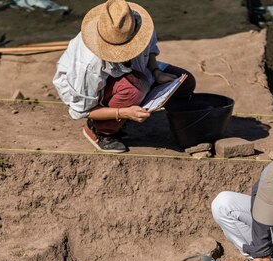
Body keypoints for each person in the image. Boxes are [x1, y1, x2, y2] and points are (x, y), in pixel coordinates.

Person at [53, 0, 195, 154]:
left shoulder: (138, 24)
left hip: (135, 70)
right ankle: (100, 131)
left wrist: (156, 72)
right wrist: (124, 112)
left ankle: (128, 114)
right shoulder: (88, 64)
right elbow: (83, 110)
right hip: (90, 92)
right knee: (134, 90)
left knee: (184, 80)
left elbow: (149, 50)